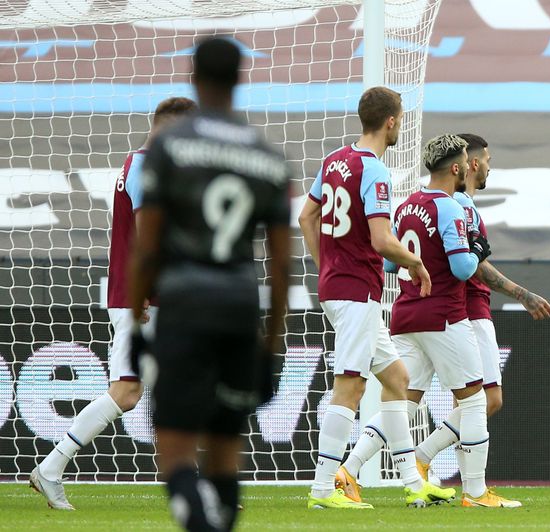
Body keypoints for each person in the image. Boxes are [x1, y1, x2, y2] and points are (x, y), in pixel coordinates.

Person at [126, 37, 291, 532]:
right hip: (239, 306)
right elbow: (282, 266)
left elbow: (147, 247)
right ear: (241, 78)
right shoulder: (268, 156)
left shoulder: (169, 147)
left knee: (175, 450)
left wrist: (135, 321)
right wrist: (270, 345)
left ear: (192, 76)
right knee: (225, 451)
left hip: (184, 303)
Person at [29, 96, 197, 511]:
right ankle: (51, 468)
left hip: (149, 297)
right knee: (125, 393)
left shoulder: (141, 164)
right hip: (140, 299)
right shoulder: (146, 167)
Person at [298, 86, 451, 509]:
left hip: (338, 286)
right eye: (401, 118)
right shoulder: (375, 170)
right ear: (391, 121)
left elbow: (306, 216)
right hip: (356, 291)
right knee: (350, 386)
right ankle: (323, 489)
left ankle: (412, 482)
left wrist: (325, 264)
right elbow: (382, 240)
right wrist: (416, 263)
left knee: (398, 380)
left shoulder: (334, 160)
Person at [385, 134, 519, 508]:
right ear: (458, 167)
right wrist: (475, 250)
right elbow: (462, 269)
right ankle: (475, 492)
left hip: (406, 314)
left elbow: (389, 263)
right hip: (444, 315)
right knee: (475, 400)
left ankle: (348, 470)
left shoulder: (407, 205)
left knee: (401, 400)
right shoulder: (450, 208)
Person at [411, 133, 550, 487]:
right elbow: (472, 266)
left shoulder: (451, 202)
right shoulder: (461, 204)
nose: (490, 166)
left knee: (435, 400)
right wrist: (522, 294)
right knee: (485, 400)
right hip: (469, 309)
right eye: (487, 159)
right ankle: (425, 460)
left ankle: (457, 479)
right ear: (471, 164)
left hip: (449, 311)